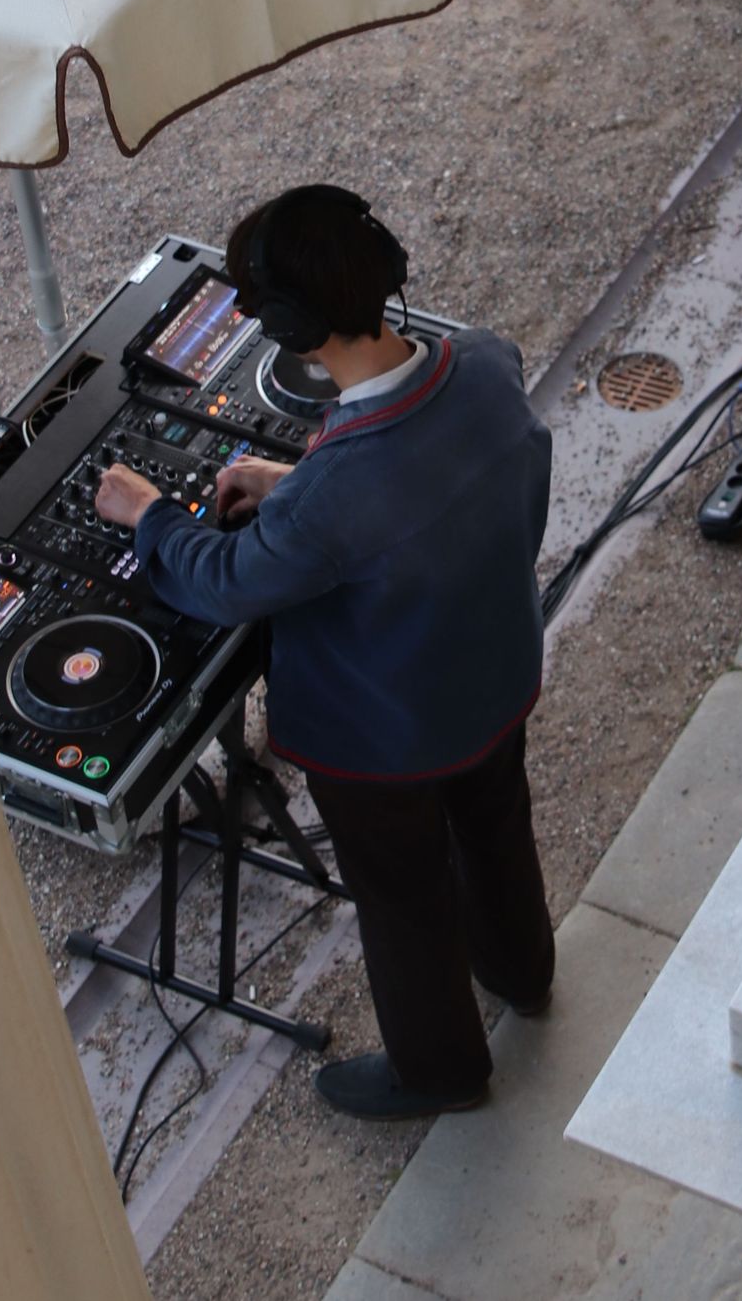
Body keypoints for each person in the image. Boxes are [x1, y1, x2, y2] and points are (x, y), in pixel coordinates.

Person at [94, 183, 555, 1121]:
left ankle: (441, 1071)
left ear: (291, 329)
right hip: (496, 678)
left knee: (404, 897)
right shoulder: (487, 363)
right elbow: (412, 484)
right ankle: (522, 971)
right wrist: (293, 479)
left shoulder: (330, 500)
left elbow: (227, 580)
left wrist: (149, 514)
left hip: (385, 748)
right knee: (496, 828)